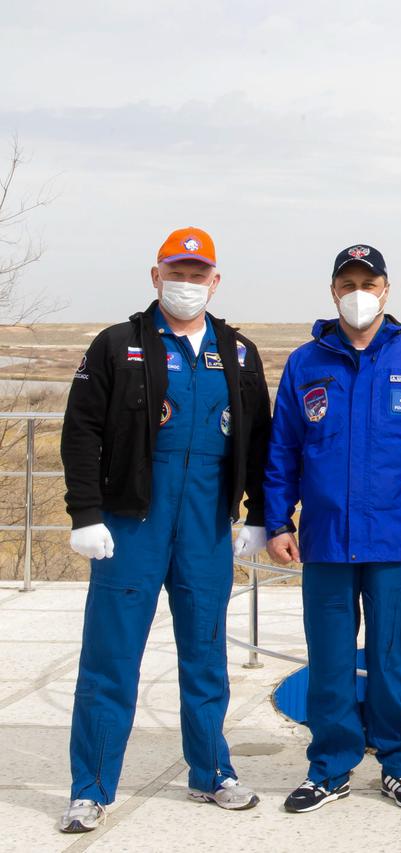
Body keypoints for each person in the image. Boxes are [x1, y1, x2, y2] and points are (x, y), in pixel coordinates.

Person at [59, 227, 272, 833]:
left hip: (205, 526)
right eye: (176, 272)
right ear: (155, 276)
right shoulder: (118, 343)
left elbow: (259, 438)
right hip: (131, 526)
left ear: (215, 280)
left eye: (197, 273)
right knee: (110, 658)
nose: (187, 282)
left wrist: (257, 513)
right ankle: (91, 787)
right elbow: (81, 432)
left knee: (205, 655)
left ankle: (212, 773)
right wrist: (85, 513)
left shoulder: (238, 351)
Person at [264, 244, 401, 813]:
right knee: (329, 660)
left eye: (369, 283)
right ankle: (329, 767)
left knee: (392, 657)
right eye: (348, 282)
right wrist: (277, 520)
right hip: (325, 539)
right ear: (333, 291)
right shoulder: (307, 362)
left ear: (386, 289)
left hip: (395, 540)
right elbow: (282, 448)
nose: (359, 292)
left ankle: (398, 764)